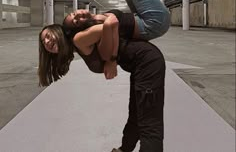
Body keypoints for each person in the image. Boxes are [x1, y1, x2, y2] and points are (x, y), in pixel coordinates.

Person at [38, 24, 166, 152]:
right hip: (139, 66)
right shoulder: (75, 46)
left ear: (58, 32)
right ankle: (125, 149)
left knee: (149, 123)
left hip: (147, 63)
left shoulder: (78, 39)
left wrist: (112, 60)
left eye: (48, 36)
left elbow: (109, 26)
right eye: (44, 42)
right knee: (136, 113)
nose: (47, 42)